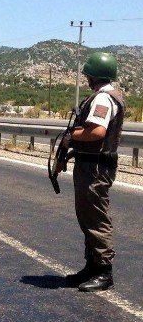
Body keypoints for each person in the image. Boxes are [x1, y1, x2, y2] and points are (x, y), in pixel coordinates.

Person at [64, 52, 125, 292]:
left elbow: (97, 132)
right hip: (91, 163)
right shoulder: (106, 96)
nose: (87, 78)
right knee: (88, 215)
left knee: (96, 217)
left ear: (96, 75)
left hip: (96, 167)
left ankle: (103, 271)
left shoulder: (102, 99)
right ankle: (92, 266)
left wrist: (70, 138)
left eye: (88, 74)